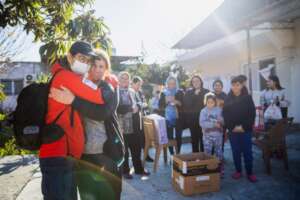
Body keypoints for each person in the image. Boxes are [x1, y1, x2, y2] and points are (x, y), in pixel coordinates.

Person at [50, 49, 124, 200]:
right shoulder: (81, 85)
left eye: (101, 66)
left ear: (106, 69)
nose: (97, 70)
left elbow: (102, 113)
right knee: (88, 195)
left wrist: (73, 100)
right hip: (83, 152)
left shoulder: (108, 88)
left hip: (105, 152)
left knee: (109, 194)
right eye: (94, 65)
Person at [40, 41, 107, 200]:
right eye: (80, 58)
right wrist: (110, 83)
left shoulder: (63, 74)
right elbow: (99, 96)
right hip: (59, 154)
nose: (84, 63)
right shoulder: (67, 76)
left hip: (60, 154)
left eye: (87, 60)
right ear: (70, 56)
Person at [223, 76, 257, 183]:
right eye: (233, 85)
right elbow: (226, 115)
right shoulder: (228, 99)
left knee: (248, 152)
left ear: (242, 85)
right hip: (233, 131)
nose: (235, 87)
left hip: (245, 130)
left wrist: (243, 127)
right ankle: (238, 171)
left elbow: (252, 114)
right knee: (235, 152)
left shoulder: (248, 98)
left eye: (237, 84)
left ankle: (250, 172)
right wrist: (233, 127)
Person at [117, 71, 150, 179]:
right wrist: (131, 109)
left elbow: (141, 103)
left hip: (135, 124)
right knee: (124, 150)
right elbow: (117, 108)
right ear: (118, 80)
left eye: (127, 78)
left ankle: (139, 169)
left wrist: (138, 107)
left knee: (136, 148)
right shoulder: (115, 91)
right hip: (121, 125)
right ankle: (125, 171)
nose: (125, 80)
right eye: (122, 78)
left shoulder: (132, 91)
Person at [199, 93, 224, 176]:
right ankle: (208, 169)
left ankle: (219, 170)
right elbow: (202, 123)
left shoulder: (219, 110)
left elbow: (222, 121)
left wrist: (221, 121)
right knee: (207, 153)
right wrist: (213, 124)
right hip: (207, 137)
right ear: (205, 102)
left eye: (212, 102)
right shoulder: (203, 111)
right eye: (208, 102)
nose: (210, 104)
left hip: (218, 136)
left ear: (215, 102)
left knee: (219, 153)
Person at [183, 75, 209, 152]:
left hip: (204, 119)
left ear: (201, 82)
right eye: (194, 81)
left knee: (203, 139)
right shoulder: (188, 92)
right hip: (193, 120)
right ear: (192, 83)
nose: (196, 82)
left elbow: (209, 104)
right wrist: (195, 95)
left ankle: (204, 159)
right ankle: (196, 159)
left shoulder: (206, 92)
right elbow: (187, 104)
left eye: (197, 80)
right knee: (194, 140)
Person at [159, 76, 184, 154]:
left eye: (173, 83)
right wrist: (166, 101)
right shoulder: (163, 93)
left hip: (178, 117)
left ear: (176, 84)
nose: (171, 85)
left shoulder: (180, 92)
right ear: (167, 84)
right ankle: (172, 153)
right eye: (170, 83)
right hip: (167, 118)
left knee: (178, 136)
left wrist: (177, 102)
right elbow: (160, 106)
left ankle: (178, 153)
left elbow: (184, 105)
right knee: (169, 136)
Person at [131, 76, 154, 162]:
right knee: (136, 141)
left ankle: (146, 155)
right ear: (132, 83)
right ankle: (136, 158)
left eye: (140, 85)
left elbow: (144, 103)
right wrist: (141, 104)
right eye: (138, 85)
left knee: (144, 138)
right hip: (133, 120)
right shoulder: (130, 92)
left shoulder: (140, 92)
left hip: (142, 118)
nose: (139, 87)